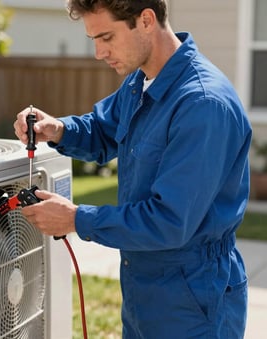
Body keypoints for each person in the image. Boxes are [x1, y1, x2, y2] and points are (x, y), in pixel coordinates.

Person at [14, 0, 252, 338]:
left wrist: (76, 218)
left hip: (194, 299)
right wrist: (57, 129)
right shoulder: (142, 83)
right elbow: (102, 129)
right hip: (143, 291)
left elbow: (169, 221)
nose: (98, 52)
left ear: (145, 20)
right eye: (93, 39)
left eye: (107, 37)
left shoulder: (202, 105)